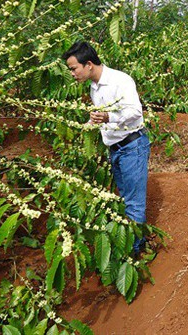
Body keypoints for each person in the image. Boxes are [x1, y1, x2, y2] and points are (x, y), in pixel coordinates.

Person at [63, 41, 149, 252]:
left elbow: (136, 112)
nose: (72, 74)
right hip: (116, 149)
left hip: (132, 146)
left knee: (133, 203)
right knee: (125, 198)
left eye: (74, 69)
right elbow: (99, 118)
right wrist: (86, 126)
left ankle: (134, 252)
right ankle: (134, 242)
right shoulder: (94, 87)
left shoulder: (120, 80)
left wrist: (109, 116)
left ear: (89, 64)